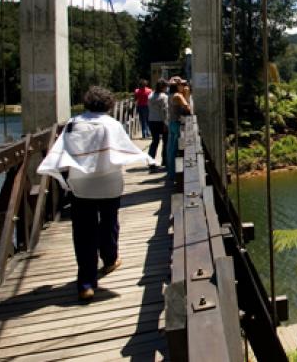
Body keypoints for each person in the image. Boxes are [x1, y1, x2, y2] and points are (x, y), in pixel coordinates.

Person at [37, 86, 152, 300]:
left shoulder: (73, 124)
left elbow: (61, 152)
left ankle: (86, 283)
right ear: (109, 104)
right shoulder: (112, 124)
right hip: (109, 183)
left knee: (83, 232)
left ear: (86, 103)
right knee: (109, 221)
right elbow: (122, 149)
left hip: (81, 185)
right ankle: (109, 260)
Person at [166, 81, 191, 185]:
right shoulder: (178, 95)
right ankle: (174, 175)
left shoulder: (170, 95)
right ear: (177, 86)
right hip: (177, 124)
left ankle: (170, 173)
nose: (184, 86)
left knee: (171, 149)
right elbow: (187, 107)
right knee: (176, 150)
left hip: (171, 123)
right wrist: (187, 95)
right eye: (182, 84)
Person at [147, 79, 169, 172]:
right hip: (161, 121)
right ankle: (165, 160)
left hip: (152, 120)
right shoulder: (164, 97)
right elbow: (165, 111)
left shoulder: (150, 95)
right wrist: (165, 123)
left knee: (154, 141)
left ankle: (151, 161)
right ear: (163, 87)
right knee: (165, 141)